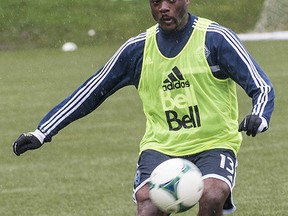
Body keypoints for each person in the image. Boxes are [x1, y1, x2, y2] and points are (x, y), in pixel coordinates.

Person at [12, 0, 274, 215]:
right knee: (148, 206)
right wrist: (42, 131)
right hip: (161, 147)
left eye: (171, 0)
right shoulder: (137, 49)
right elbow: (92, 91)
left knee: (212, 194)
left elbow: (260, 85)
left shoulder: (215, 39)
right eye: (156, 1)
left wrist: (259, 116)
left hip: (214, 142)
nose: (163, 7)